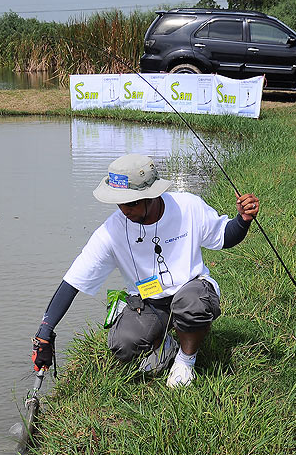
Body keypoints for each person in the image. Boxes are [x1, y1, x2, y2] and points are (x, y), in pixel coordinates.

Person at [31, 153, 260, 388]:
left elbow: (224, 236)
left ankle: (185, 360)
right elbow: (73, 281)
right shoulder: (111, 232)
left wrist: (242, 219)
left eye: (131, 203)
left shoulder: (188, 207)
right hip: (149, 300)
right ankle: (167, 344)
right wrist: (45, 331)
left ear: (152, 195)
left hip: (191, 288)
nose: (124, 210)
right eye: (119, 203)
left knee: (192, 304)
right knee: (123, 343)